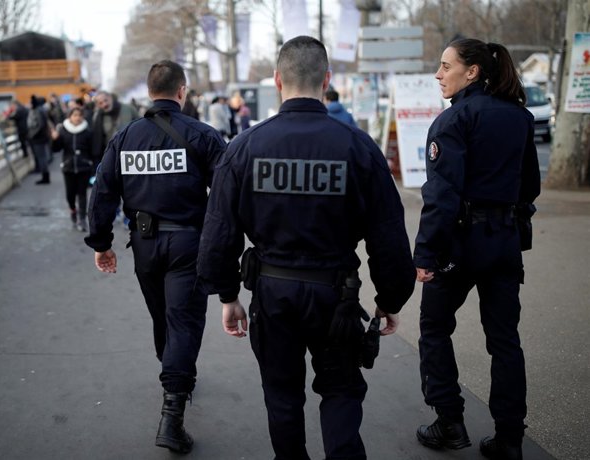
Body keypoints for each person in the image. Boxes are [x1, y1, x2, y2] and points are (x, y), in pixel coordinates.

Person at [196, 36, 416, 460]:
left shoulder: (243, 148)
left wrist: (228, 296)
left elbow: (218, 233)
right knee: (341, 389)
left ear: (278, 80)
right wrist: (390, 298)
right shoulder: (358, 148)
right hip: (335, 296)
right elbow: (388, 234)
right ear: (326, 80)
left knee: (281, 394)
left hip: (272, 295)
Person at [85, 60, 226, 454]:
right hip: (188, 243)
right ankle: (172, 414)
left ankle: (175, 373)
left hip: (144, 245)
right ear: (182, 90)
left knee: (163, 315)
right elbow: (228, 194)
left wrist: (101, 243)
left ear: (150, 92)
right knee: (182, 320)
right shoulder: (202, 135)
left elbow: (103, 192)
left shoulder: (126, 136)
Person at [413, 38, 540, 460]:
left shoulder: (453, 121)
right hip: (503, 239)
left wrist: (425, 255)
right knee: (505, 341)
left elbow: (442, 197)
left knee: (433, 328)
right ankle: (510, 439)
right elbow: (530, 186)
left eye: (446, 66)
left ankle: (449, 422)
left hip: (460, 243)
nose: (438, 74)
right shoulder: (520, 117)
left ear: (472, 72)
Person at [51, 107, 94, 232]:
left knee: (82, 194)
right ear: (70, 117)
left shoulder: (87, 132)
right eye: (75, 115)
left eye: (80, 115)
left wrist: (92, 165)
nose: (77, 117)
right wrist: (55, 139)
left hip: (84, 167)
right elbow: (56, 149)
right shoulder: (64, 131)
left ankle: (82, 219)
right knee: (70, 195)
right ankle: (73, 210)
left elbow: (92, 150)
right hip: (68, 167)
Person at [90, 90, 140, 168]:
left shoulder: (129, 109)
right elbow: (97, 140)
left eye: (105, 100)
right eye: (100, 103)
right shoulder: (97, 117)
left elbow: (140, 127)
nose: (104, 104)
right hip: (111, 157)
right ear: (98, 105)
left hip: (131, 153)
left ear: (110, 98)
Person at [28, 95, 51, 184]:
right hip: (41, 137)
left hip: (39, 138)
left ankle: (45, 177)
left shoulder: (38, 111)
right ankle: (45, 176)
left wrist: (32, 134)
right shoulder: (41, 110)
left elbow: (40, 125)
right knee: (42, 157)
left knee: (42, 157)